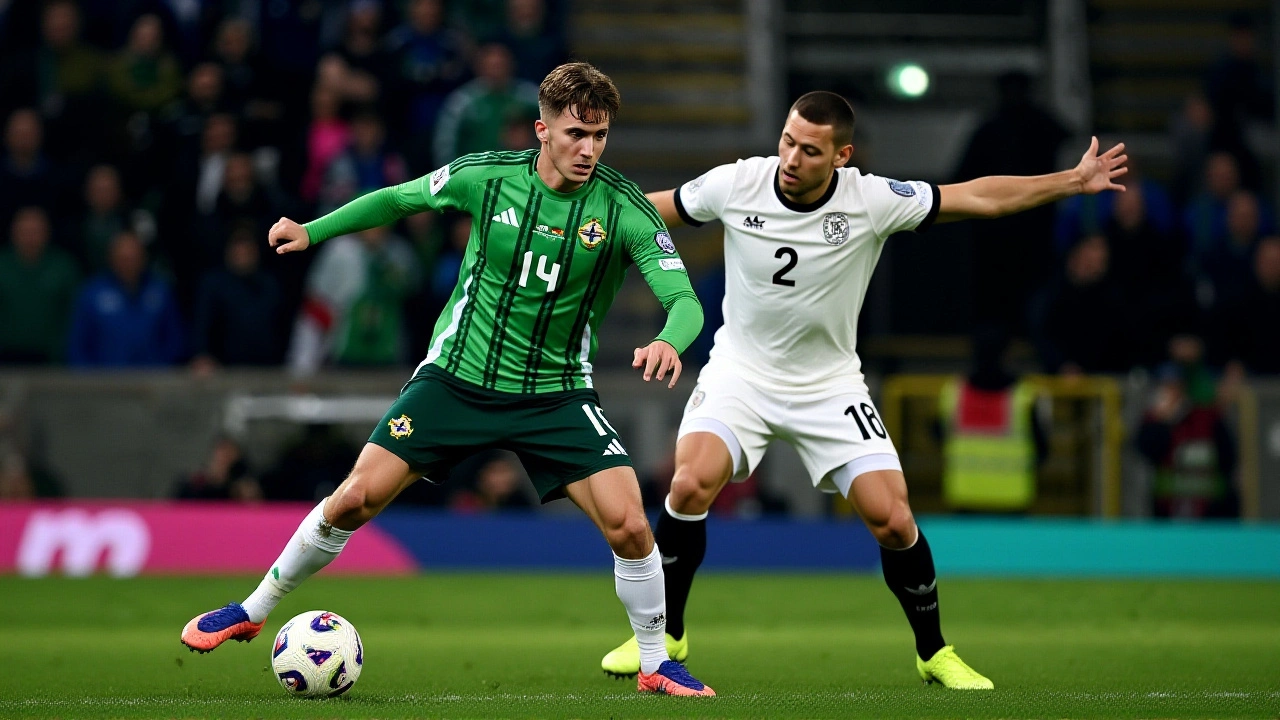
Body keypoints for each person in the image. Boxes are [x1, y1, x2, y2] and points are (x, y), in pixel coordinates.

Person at [180, 62, 714, 697]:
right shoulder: (485, 177)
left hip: (556, 392)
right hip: (456, 377)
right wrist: (312, 230)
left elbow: (685, 302)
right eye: (576, 133)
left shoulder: (623, 208)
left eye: (600, 135)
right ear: (542, 130)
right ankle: (252, 610)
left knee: (631, 525)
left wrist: (667, 340)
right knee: (354, 497)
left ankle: (655, 664)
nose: (589, 149)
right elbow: (399, 198)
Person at [599, 91, 1127, 689]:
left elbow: (976, 196)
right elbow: (651, 211)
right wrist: (577, 221)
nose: (792, 158)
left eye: (810, 150)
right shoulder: (736, 183)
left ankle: (933, 652)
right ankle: (667, 635)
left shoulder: (871, 200)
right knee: (690, 482)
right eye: (788, 142)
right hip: (740, 373)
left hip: (830, 384)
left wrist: (1070, 181)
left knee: (893, 519)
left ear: (841, 156)